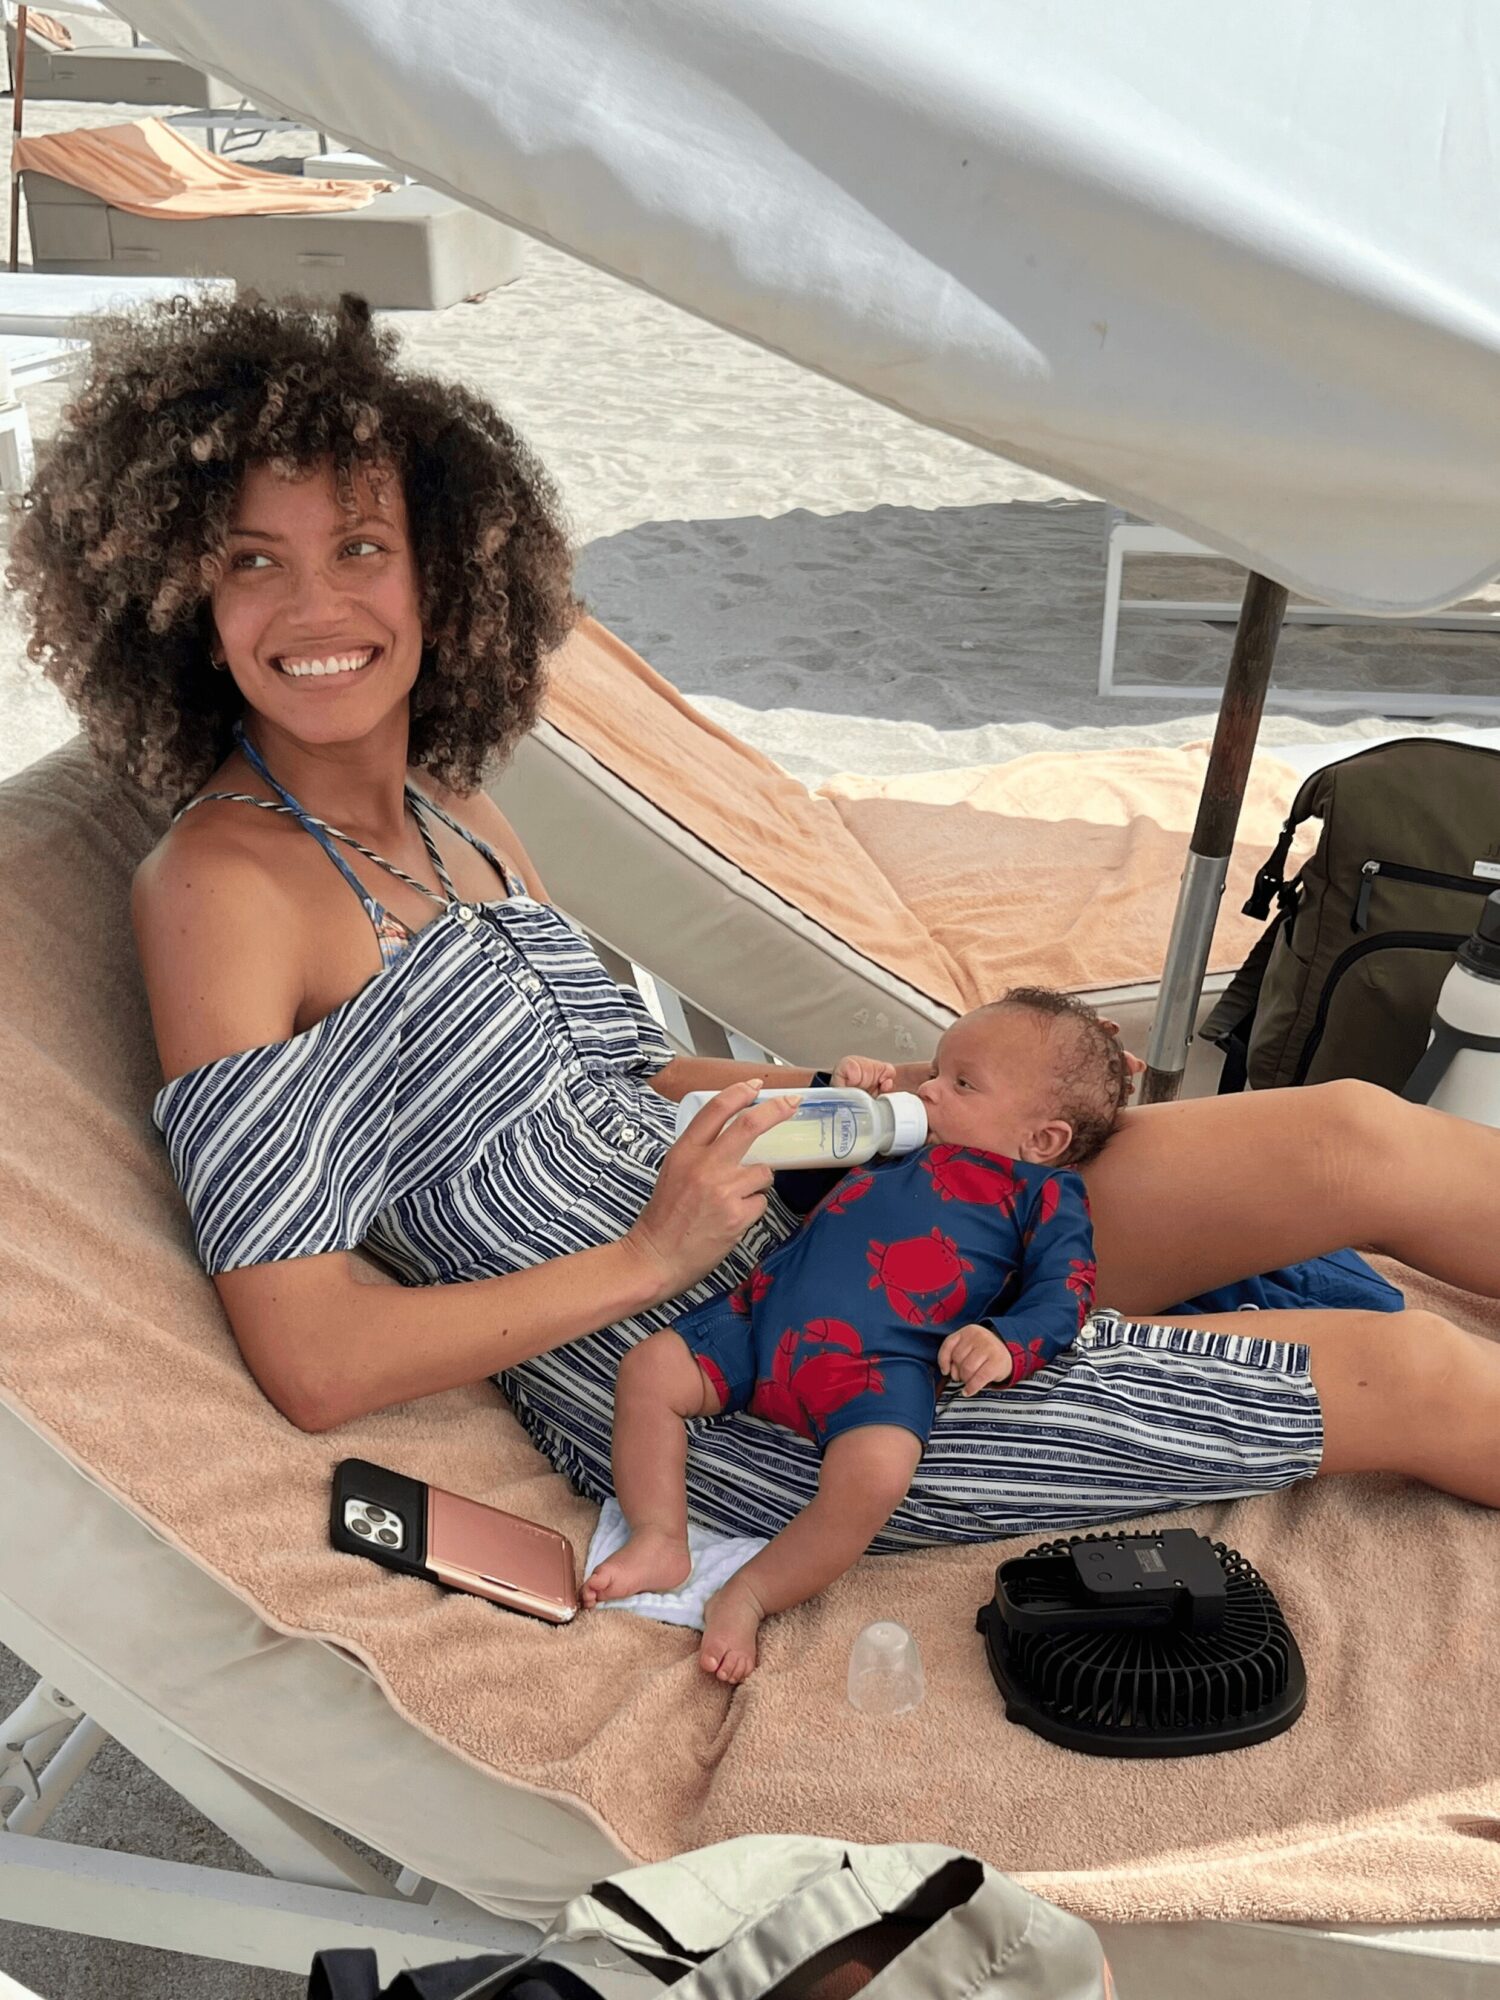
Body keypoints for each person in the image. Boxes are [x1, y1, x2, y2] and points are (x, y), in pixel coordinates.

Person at [14, 293, 1500, 1620]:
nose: (315, 607)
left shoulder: (455, 809)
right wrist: (651, 1256)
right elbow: (313, 1353)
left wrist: (834, 1092)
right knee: (1415, 1376)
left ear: (443, 575)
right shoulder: (222, 889)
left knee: (1357, 1137)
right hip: (742, 1371)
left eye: (360, 548)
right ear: (185, 601)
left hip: (828, 1201)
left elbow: (623, 1074)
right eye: (253, 561)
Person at [585, 990, 1128, 1681]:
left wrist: (1005, 1340)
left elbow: (1066, 1291)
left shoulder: (1042, 1194)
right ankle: (660, 1535)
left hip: (879, 1367)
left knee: (875, 1476)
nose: (928, 1089)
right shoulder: (893, 1141)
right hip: (763, 1320)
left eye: (962, 1083)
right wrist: (836, 1106)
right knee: (649, 1370)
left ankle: (751, 1593)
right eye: (936, 1070)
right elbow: (798, 1194)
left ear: (1042, 1140)